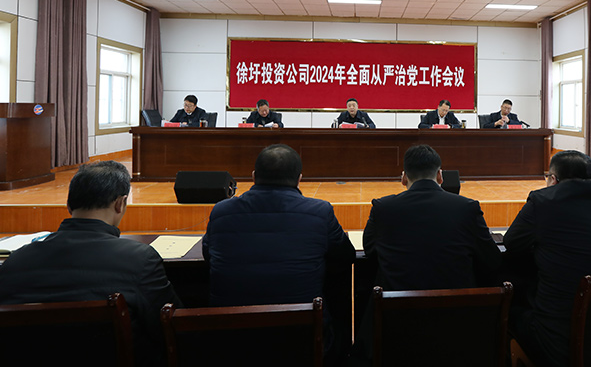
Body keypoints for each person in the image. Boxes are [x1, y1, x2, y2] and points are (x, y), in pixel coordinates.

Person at [0, 161, 181, 366]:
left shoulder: (14, 262)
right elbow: (172, 327)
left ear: (69, 206)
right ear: (120, 204)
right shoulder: (139, 260)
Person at [349, 144, 502, 364]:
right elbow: (492, 260)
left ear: (403, 178)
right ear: (440, 176)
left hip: (396, 328)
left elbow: (370, 251)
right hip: (458, 329)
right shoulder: (467, 208)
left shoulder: (383, 208)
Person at [202, 144, 355, 364]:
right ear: (299, 179)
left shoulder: (221, 211)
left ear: (253, 176)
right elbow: (345, 256)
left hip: (231, 341)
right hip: (301, 340)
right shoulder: (320, 212)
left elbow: (208, 255)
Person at [503, 150, 591, 367]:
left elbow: (512, 243)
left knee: (507, 307)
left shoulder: (542, 200)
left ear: (553, 179)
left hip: (561, 342)